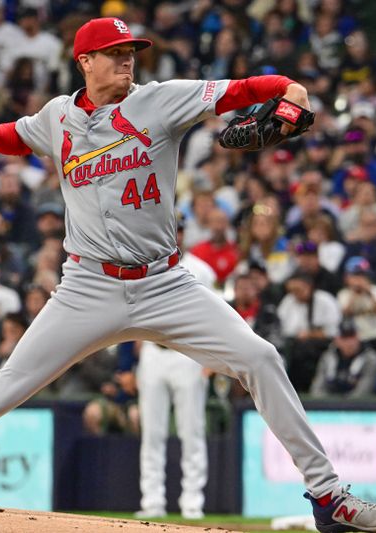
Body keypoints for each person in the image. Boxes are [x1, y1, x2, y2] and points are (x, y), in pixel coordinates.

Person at [0, 18, 376, 533]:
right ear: (85, 61)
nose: (128, 62)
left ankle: (328, 498)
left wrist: (294, 91)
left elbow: (253, 87)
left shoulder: (160, 100)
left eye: (132, 53)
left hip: (166, 283)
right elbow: (21, 135)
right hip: (87, 285)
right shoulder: (58, 116)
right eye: (116, 54)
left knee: (261, 357)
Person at [134, 217, 212, 520]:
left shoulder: (201, 269)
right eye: (171, 228)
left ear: (184, 233)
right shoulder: (145, 263)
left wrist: (209, 359)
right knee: (151, 434)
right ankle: (151, 501)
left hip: (187, 355)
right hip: (153, 353)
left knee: (192, 432)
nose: (175, 233)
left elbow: (210, 317)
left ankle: (192, 502)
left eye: (179, 229)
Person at [310, 320, 376, 398]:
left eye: (352, 337)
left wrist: (344, 403)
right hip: (329, 405)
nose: (349, 342)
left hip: (356, 407)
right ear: (337, 340)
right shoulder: (327, 357)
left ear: (358, 337)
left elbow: (364, 391)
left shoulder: (370, 358)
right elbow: (317, 389)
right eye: (344, 337)